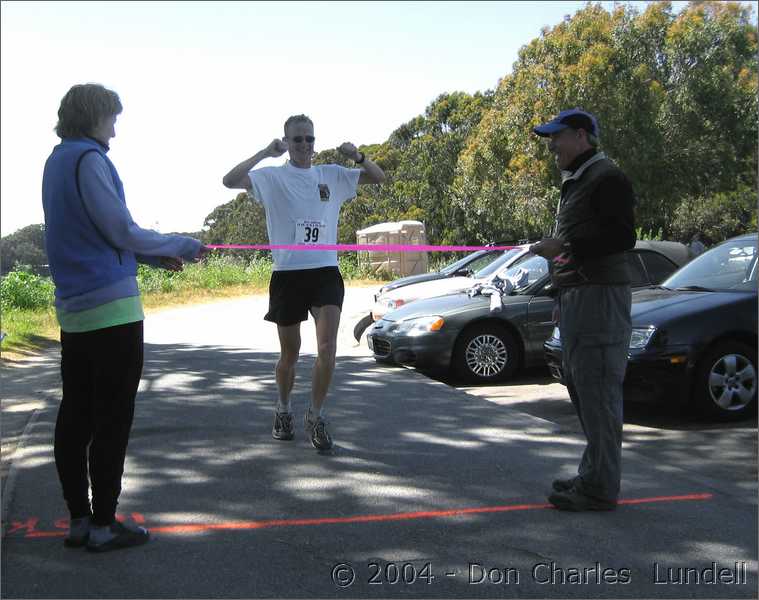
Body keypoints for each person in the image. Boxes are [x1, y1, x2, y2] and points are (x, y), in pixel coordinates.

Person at [42, 83, 209, 551]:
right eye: (112, 118)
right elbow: (119, 228)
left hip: (74, 311)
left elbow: (92, 234)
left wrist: (151, 259)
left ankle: (79, 519)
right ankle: (103, 524)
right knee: (111, 420)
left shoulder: (56, 162)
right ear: (93, 116)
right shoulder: (91, 160)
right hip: (112, 311)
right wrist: (179, 244)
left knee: (75, 415)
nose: (115, 128)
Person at [222, 115, 385, 451]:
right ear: (286, 142)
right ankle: (283, 408)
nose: (305, 146)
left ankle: (316, 414)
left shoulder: (331, 175)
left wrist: (358, 156)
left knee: (327, 349)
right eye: (297, 140)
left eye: (309, 139)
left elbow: (379, 177)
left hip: (325, 272)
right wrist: (265, 153)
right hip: (288, 275)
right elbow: (230, 180)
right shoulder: (272, 176)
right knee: (290, 355)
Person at [530, 108, 636, 511]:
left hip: (600, 299)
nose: (552, 145)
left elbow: (622, 237)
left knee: (599, 393)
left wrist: (566, 247)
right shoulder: (578, 181)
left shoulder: (607, 178)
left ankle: (600, 489)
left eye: (556, 137)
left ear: (581, 136)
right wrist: (562, 294)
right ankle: (593, 475)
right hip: (578, 298)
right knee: (584, 390)